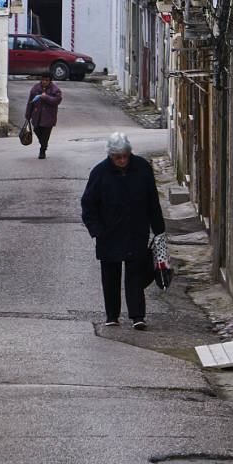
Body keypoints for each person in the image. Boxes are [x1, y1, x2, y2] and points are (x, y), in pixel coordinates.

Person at [80, 131, 163, 329]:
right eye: (118, 157)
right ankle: (112, 315)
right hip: (109, 233)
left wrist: (159, 229)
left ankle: (137, 316)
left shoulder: (142, 168)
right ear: (110, 156)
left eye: (125, 156)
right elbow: (88, 204)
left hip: (136, 230)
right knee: (110, 276)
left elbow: (153, 200)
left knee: (135, 274)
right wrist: (96, 230)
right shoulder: (100, 172)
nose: (122, 160)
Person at [25, 77, 63, 158]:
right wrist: (28, 114)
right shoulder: (35, 88)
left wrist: (45, 97)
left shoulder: (55, 89)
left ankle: (42, 151)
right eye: (43, 80)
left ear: (50, 81)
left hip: (49, 117)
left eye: (47, 80)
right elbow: (30, 102)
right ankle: (44, 144)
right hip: (37, 116)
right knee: (36, 130)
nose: (44, 82)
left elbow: (57, 100)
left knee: (45, 134)